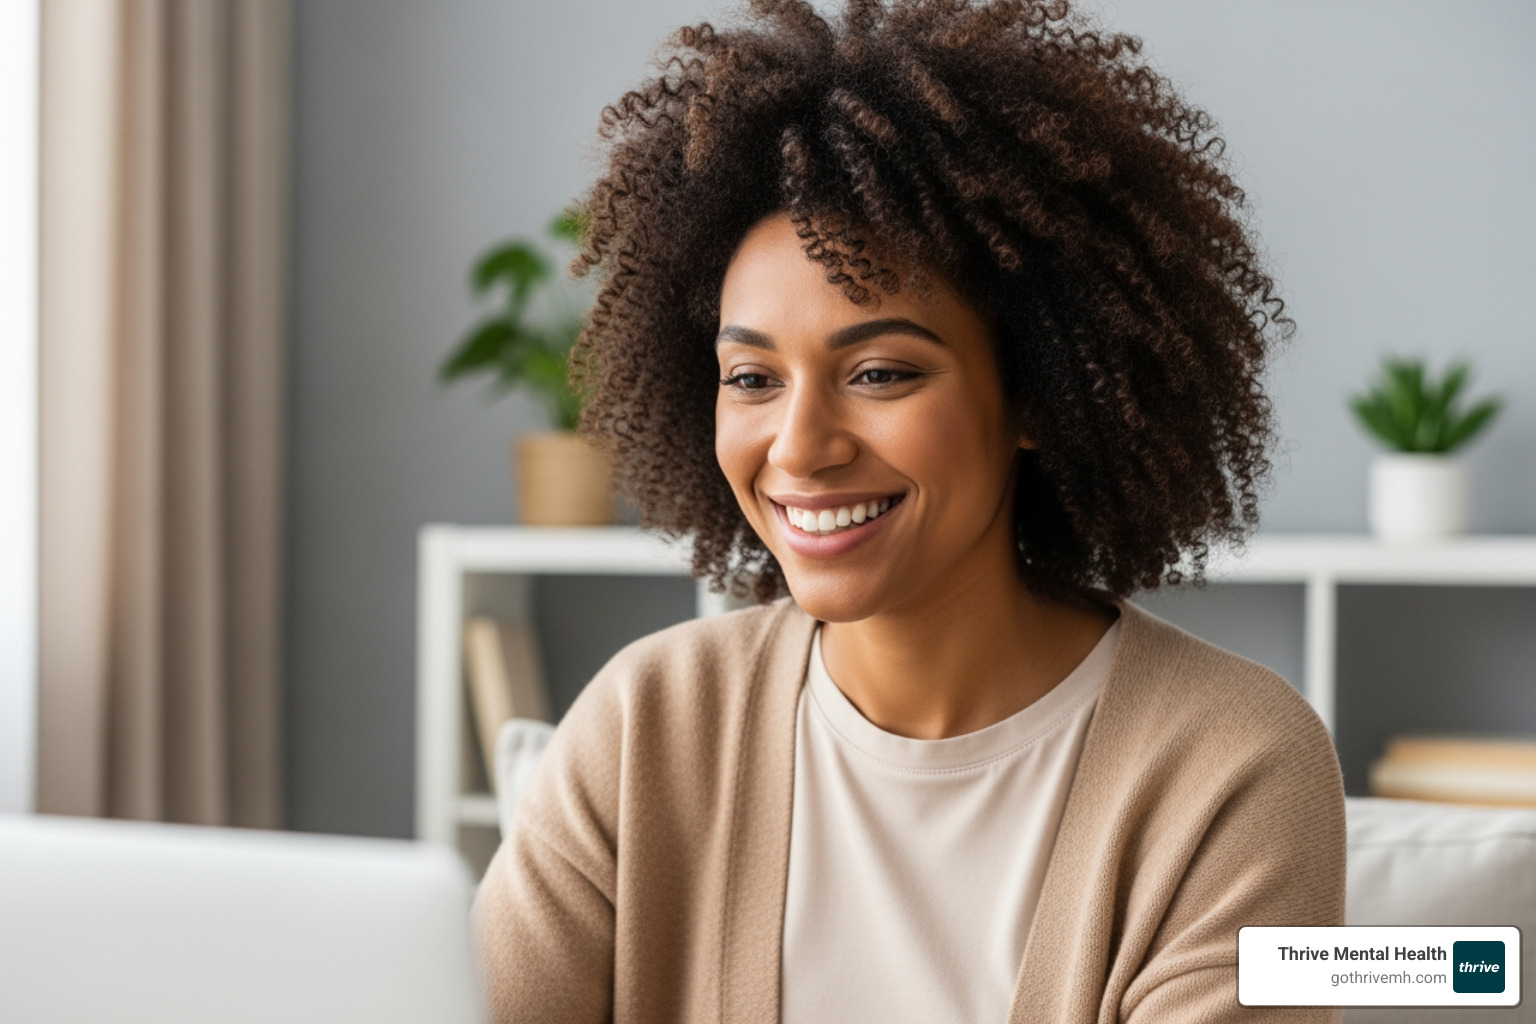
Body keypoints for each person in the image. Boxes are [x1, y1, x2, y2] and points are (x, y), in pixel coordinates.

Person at [472, 1, 1345, 1021]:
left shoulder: (1236, 766)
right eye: (752, 378)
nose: (799, 447)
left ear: (1034, 393)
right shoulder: (647, 726)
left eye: (881, 371)